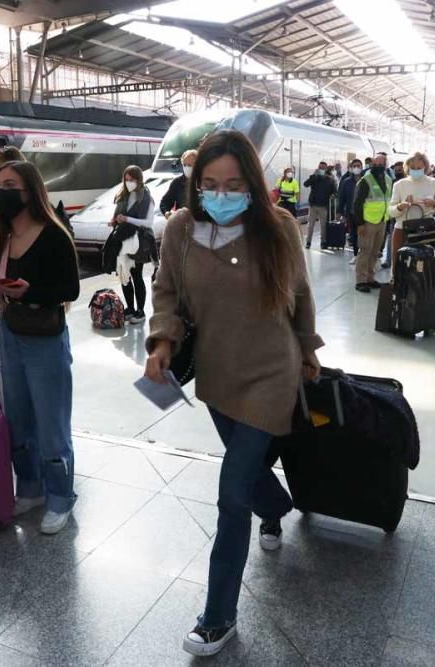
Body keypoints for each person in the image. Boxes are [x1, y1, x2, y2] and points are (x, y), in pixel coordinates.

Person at [144, 129, 322, 657]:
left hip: (272, 370)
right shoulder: (180, 229)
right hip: (218, 374)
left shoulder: (279, 228)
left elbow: (302, 294)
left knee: (229, 493)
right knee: (246, 475)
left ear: (253, 184)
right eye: (210, 184)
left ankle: (218, 616)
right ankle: (276, 504)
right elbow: (166, 291)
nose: (220, 194)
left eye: (233, 184)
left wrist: (309, 349)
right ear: (196, 184)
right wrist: (159, 343)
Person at [0, 160, 80, 533]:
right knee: (18, 419)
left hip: (44, 338)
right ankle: (29, 488)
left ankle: (60, 496)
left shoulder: (54, 234)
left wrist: (32, 293)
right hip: (9, 331)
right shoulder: (1, 235)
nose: (3, 192)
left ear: (30, 192)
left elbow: (69, 290)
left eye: (11, 185)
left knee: (51, 425)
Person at [109, 165, 157, 324]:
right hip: (123, 240)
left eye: (132, 180)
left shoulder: (147, 198)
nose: (129, 183)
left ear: (139, 180)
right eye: (126, 180)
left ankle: (140, 311)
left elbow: (148, 222)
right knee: (124, 274)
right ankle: (130, 308)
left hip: (138, 241)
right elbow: (118, 215)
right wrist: (114, 220)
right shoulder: (122, 196)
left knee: (137, 275)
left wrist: (127, 219)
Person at [387, 152, 435, 269]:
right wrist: (401, 206)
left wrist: (434, 203)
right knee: (399, 266)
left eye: (419, 168)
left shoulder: (434, 183)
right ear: (407, 167)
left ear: (425, 167)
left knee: (423, 268)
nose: (416, 170)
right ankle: (398, 285)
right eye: (413, 168)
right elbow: (391, 211)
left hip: (425, 231)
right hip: (402, 229)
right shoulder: (399, 185)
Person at [352, 153, 392, 292]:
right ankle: (361, 281)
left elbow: (388, 199)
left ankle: (370, 277)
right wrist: (360, 224)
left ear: (385, 165)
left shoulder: (388, 179)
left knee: (375, 252)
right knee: (365, 251)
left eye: (380, 164)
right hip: (367, 222)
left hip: (382, 220)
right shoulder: (365, 180)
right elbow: (357, 203)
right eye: (375, 164)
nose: (377, 167)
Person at [303, 160, 336, 249]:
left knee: (323, 225)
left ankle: (323, 241)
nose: (321, 169)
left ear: (326, 169)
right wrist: (314, 175)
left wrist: (333, 195)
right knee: (311, 225)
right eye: (320, 168)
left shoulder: (329, 180)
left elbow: (334, 191)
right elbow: (305, 184)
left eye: (323, 168)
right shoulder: (314, 178)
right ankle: (308, 242)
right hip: (313, 205)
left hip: (323, 206)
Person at [337, 159, 363, 259]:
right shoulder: (346, 182)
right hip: (351, 213)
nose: (357, 168)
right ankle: (356, 255)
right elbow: (342, 197)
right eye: (354, 166)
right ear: (351, 168)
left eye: (359, 166)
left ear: (362, 167)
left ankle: (364, 255)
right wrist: (339, 211)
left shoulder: (366, 180)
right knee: (354, 235)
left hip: (365, 213)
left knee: (364, 236)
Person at [161, 149, 198, 217]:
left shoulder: (204, 182)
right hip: (182, 223)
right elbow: (165, 202)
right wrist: (166, 212)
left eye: (189, 165)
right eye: (184, 165)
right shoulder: (177, 183)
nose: (186, 168)